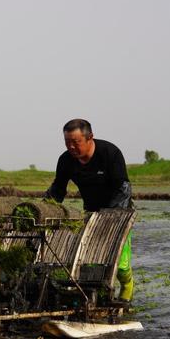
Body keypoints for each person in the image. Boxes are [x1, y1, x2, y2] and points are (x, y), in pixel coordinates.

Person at [43, 119, 134, 303]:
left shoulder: (110, 153)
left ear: (90, 137)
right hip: (90, 212)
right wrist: (42, 209)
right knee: (91, 258)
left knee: (120, 262)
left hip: (118, 214)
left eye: (75, 142)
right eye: (67, 142)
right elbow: (58, 190)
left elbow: (123, 189)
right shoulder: (66, 160)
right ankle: (98, 296)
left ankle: (127, 285)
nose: (71, 147)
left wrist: (110, 217)